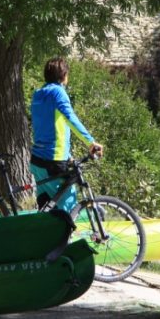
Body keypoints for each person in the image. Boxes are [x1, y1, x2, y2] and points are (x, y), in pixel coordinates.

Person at [30, 57, 103, 214]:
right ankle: (65, 238)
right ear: (63, 75)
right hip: (53, 161)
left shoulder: (38, 94)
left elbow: (47, 128)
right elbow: (71, 119)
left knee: (45, 207)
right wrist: (91, 142)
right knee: (70, 209)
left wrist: (68, 154)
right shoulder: (58, 92)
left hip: (37, 160)